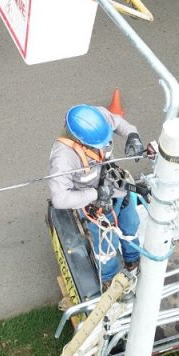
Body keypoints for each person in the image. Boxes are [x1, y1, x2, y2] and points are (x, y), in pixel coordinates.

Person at [47, 104, 147, 286]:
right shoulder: (63, 158)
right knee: (106, 244)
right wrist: (95, 193)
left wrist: (132, 135)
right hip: (95, 204)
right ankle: (109, 278)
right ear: (80, 141)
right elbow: (60, 199)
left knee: (130, 224)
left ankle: (133, 259)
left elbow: (118, 123)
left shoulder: (99, 117)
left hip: (116, 186)